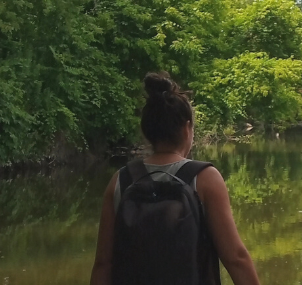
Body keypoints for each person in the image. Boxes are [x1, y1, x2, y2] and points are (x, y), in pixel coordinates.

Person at [90, 72, 260, 285]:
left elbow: (103, 263)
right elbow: (236, 258)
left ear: (147, 132)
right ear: (186, 128)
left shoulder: (120, 181)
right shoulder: (205, 179)